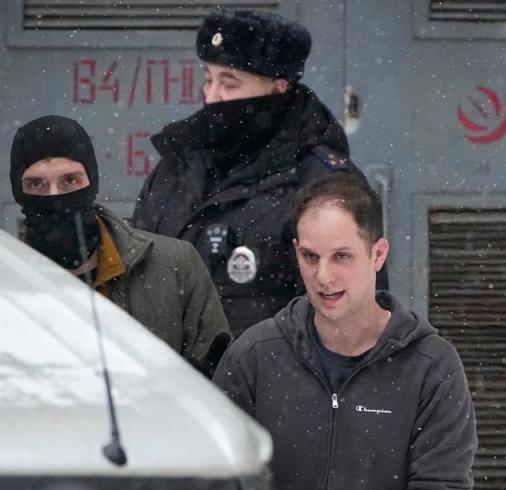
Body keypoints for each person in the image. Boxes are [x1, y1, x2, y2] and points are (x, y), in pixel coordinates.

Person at [212, 174, 477, 490]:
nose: (324, 276)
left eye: (342, 257)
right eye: (310, 257)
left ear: (378, 254)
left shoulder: (430, 365)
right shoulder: (256, 355)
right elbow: (213, 482)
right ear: (296, 253)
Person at [132, 8, 384, 338]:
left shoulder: (321, 183)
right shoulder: (178, 165)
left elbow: (352, 325)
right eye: (209, 79)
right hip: (170, 383)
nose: (212, 96)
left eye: (229, 83)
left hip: (263, 386)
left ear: (277, 88)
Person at [10, 115, 231, 375]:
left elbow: (218, 385)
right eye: (37, 185)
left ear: (91, 181)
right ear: (18, 191)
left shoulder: (174, 267)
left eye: (70, 180)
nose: (55, 196)